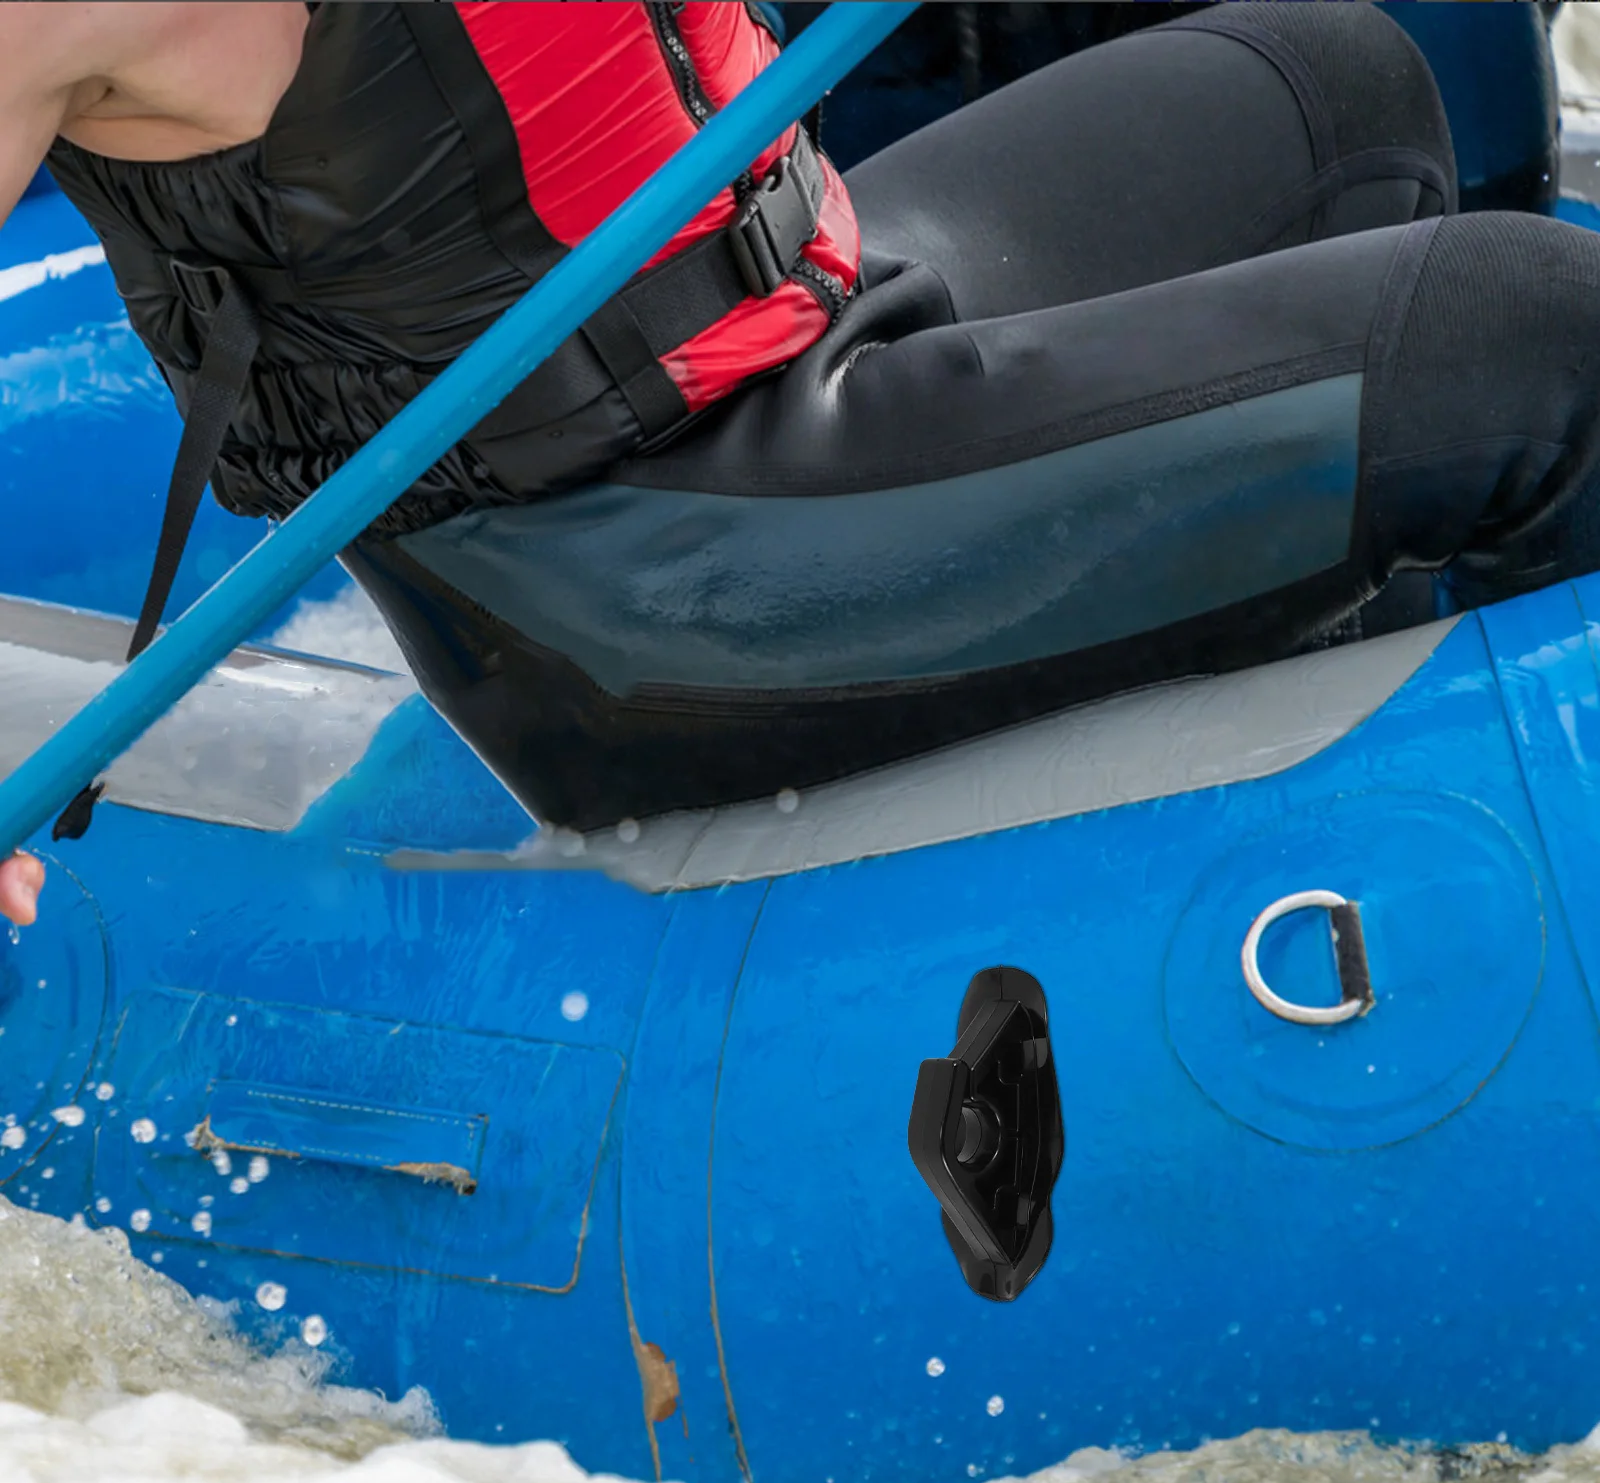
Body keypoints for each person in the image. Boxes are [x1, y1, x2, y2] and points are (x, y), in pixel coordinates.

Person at [7, 2, 1600, 910]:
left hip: (809, 311)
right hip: (635, 578)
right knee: (1528, 340)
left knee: (1335, 83)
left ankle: (1344, 714)